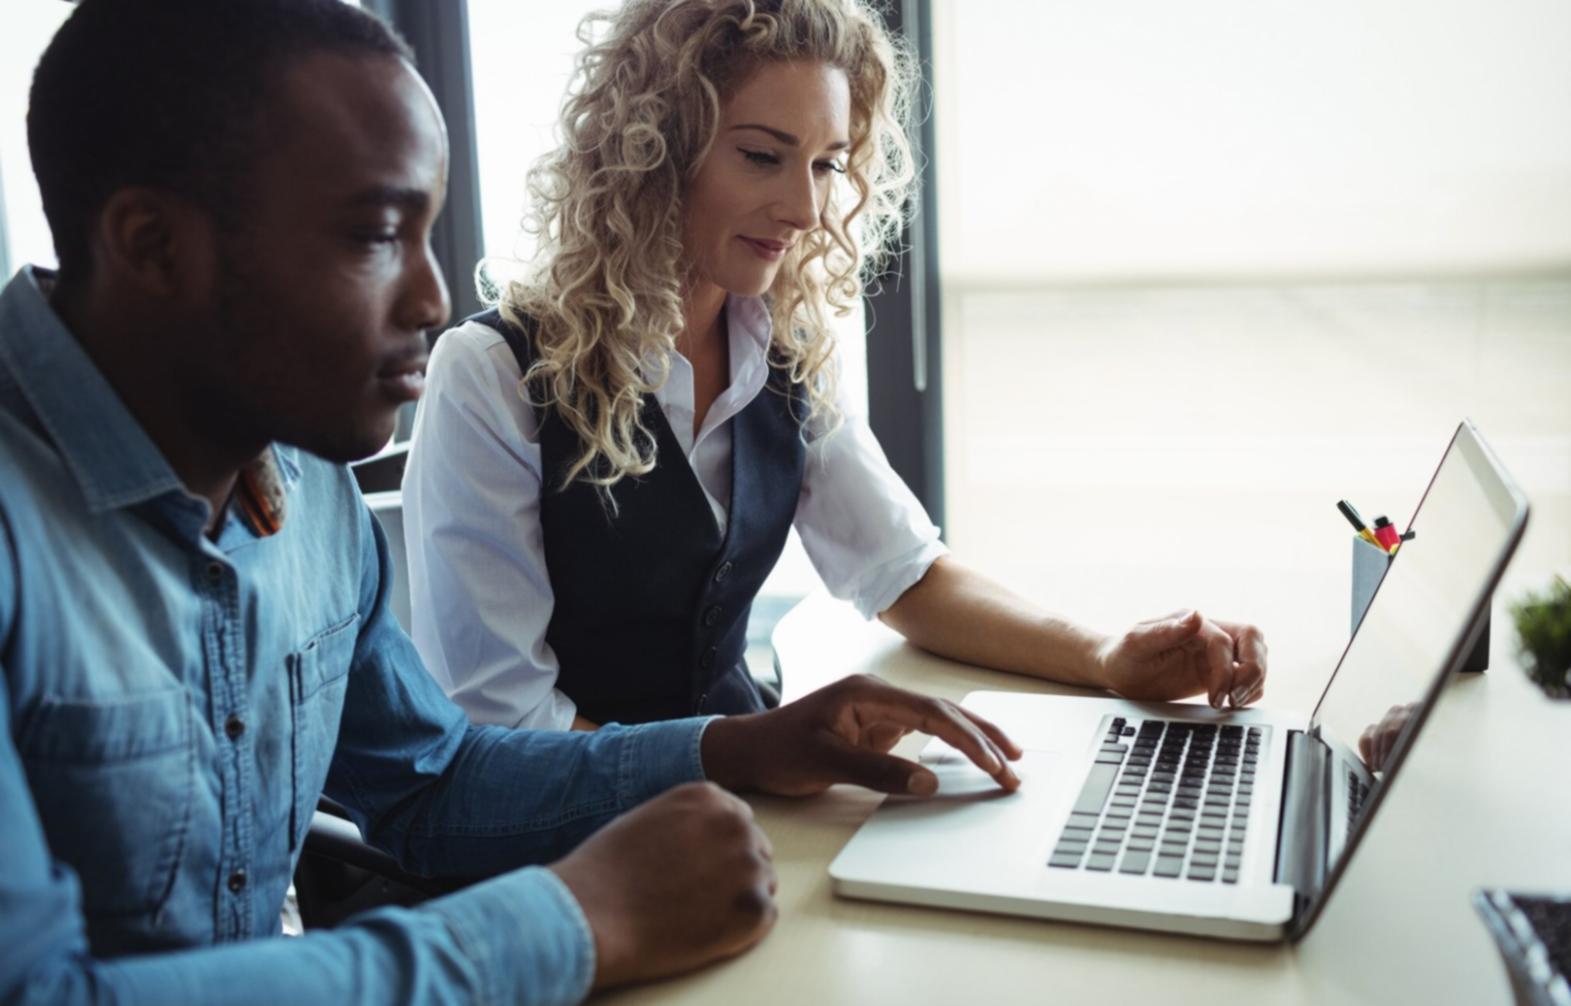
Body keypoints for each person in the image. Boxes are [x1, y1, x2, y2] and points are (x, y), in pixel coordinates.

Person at [0, 2, 1023, 1003]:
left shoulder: (308, 491)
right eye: (373, 236)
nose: (432, 301)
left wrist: (739, 747)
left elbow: (430, 783)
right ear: (152, 246)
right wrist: (574, 920)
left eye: (426, 233)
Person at [403, 0, 1270, 731]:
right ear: (653, 149)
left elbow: (904, 573)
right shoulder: (491, 374)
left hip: (737, 797)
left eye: (825, 165)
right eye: (762, 156)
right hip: (569, 840)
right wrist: (750, 769)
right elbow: (501, 717)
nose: (807, 209)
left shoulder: (780, 355)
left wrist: (1106, 656)